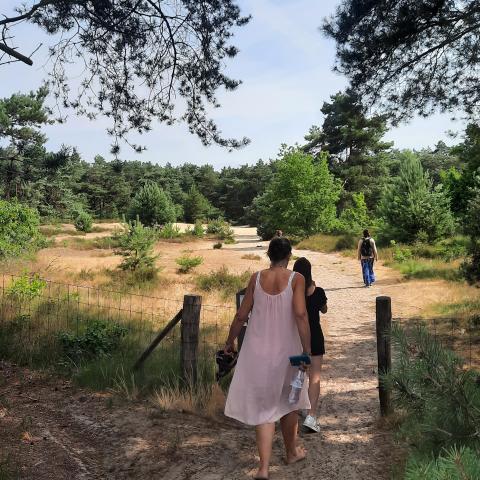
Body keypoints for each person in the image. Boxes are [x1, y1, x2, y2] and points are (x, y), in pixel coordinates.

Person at [224, 237, 311, 480]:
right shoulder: (297, 279)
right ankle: (292, 452)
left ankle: (263, 468)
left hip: (257, 353)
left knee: (265, 409)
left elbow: (242, 315)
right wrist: (307, 349)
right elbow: (301, 314)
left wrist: (229, 341)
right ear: (289, 256)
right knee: (290, 400)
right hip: (288, 352)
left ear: (269, 255)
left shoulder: (256, 278)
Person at [293, 257, 327, 433]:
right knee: (314, 376)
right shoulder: (318, 291)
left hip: (296, 339)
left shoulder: (291, 293)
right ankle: (311, 415)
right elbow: (324, 309)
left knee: (297, 374)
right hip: (315, 339)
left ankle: (292, 411)